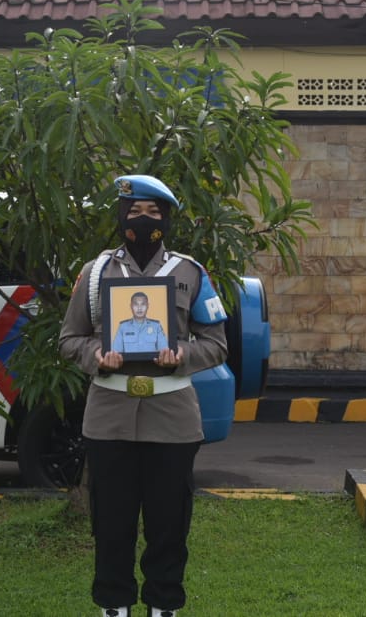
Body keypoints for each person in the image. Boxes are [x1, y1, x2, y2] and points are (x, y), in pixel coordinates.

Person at [60, 174, 229, 617]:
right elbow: (68, 339)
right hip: (109, 416)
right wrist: (98, 354)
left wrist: (182, 355)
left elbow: (217, 342)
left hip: (171, 416)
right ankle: (113, 605)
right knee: (111, 524)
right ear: (121, 216)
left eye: (153, 212)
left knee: (168, 526)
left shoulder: (190, 273)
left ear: (167, 219)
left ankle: (163, 606)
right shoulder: (96, 274)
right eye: (134, 211)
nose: (143, 219)